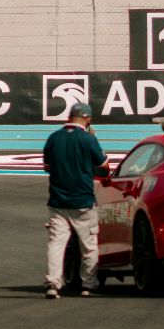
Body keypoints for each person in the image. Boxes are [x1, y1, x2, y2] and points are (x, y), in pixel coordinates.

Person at [42, 102, 106, 299]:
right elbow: (104, 165)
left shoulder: (54, 138)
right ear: (88, 119)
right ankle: (88, 285)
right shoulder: (88, 139)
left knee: (56, 244)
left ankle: (53, 284)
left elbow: (47, 166)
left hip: (58, 201)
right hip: (83, 201)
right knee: (89, 246)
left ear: (69, 117)